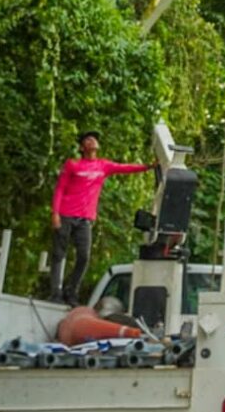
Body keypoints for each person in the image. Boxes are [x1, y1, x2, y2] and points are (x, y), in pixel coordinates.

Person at [50, 130, 152, 306]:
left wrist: (148, 166)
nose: (92, 141)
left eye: (94, 139)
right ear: (82, 147)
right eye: (88, 139)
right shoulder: (73, 164)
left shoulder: (102, 165)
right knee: (59, 254)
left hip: (85, 219)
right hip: (66, 214)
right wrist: (55, 213)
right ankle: (55, 292)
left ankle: (71, 290)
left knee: (84, 256)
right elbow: (60, 188)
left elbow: (125, 168)